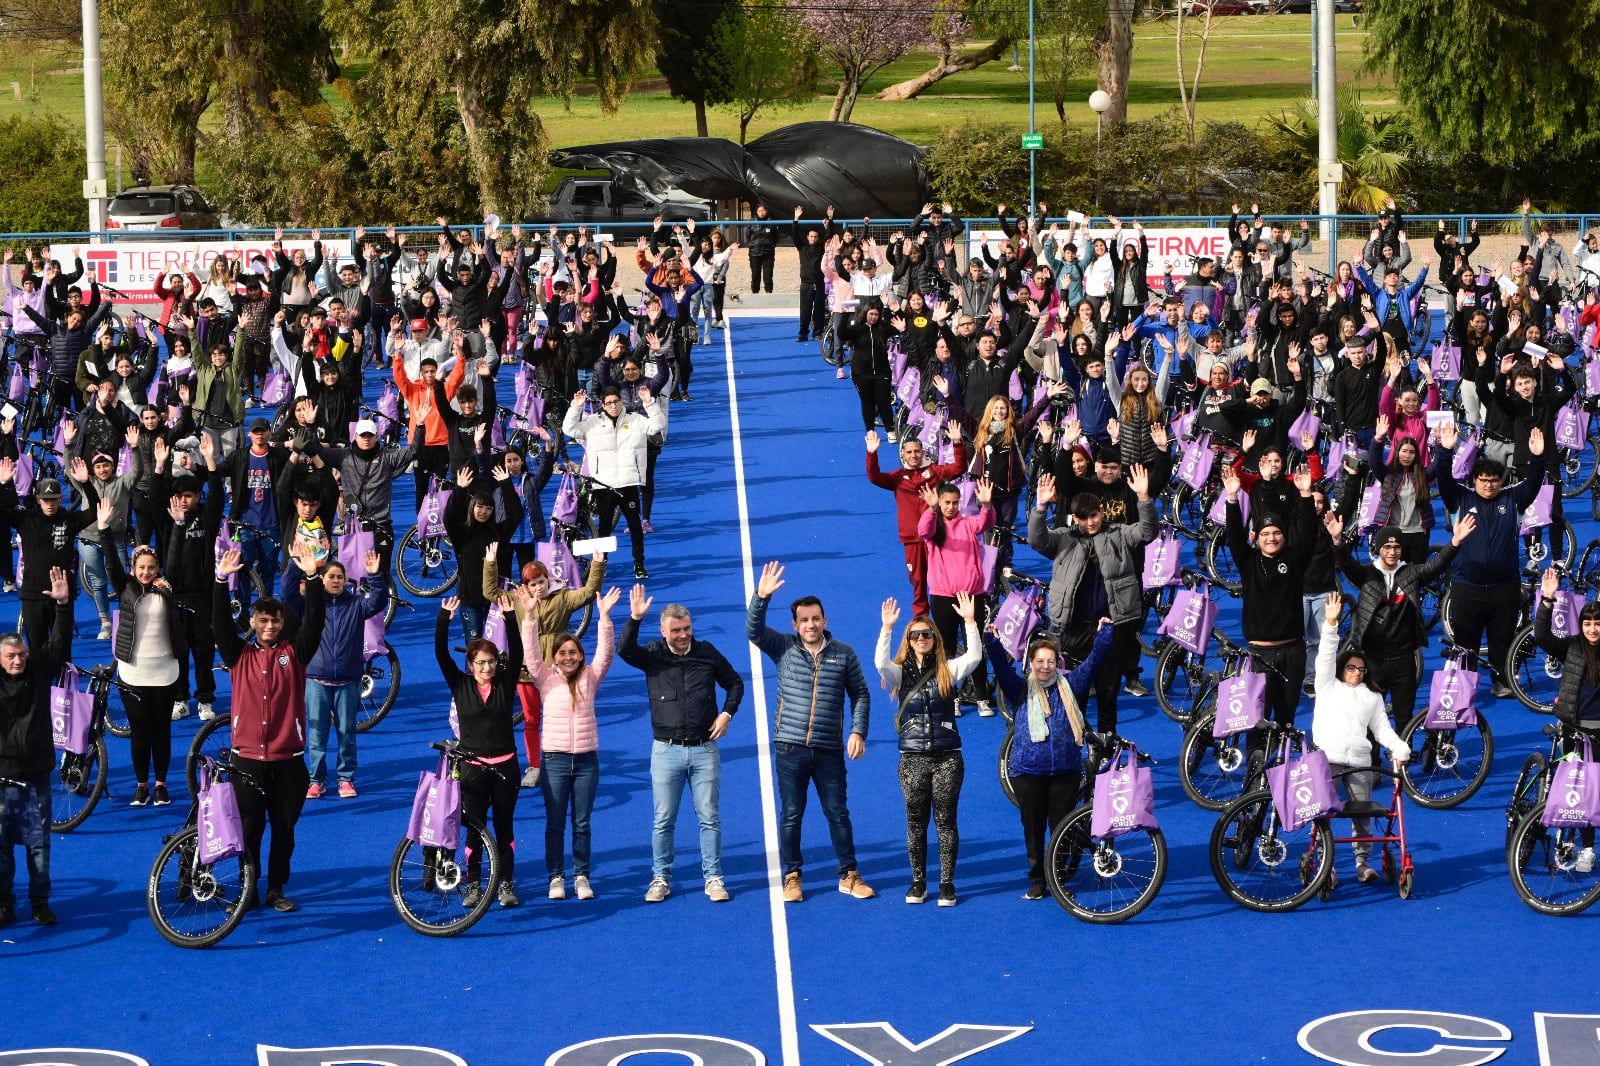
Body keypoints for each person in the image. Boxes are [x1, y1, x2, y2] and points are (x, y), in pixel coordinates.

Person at [746, 561, 874, 903]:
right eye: (804, 620)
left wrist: (858, 730)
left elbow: (860, 693)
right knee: (791, 814)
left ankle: (849, 874)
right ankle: (792, 876)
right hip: (790, 748)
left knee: (838, 812)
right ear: (795, 625)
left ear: (825, 620)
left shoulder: (844, 654)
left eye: (816, 618)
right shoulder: (783, 648)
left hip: (829, 748)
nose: (810, 624)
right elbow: (752, 631)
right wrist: (761, 596)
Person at [212, 541, 327, 913]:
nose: (269, 625)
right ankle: (248, 890)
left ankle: (276, 887)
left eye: (275, 621)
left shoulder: (294, 654)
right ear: (253, 622)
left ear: (281, 624)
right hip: (246, 759)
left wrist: (313, 578)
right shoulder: (238, 656)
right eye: (262, 620)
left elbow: (316, 622)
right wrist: (219, 580)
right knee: (248, 831)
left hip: (288, 759)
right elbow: (218, 624)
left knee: (284, 830)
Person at [619, 583, 745, 904]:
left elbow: (734, 683)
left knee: (709, 816)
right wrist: (633, 619)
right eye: (676, 630)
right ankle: (660, 877)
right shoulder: (652, 656)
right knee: (663, 820)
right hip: (665, 751)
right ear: (663, 631)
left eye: (687, 628)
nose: (683, 635)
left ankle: (713, 878)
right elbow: (624, 650)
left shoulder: (707, 653)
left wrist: (727, 714)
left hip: (705, 750)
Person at [987, 621, 1113, 900]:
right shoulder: (1018, 689)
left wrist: (1104, 633)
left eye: (1051, 661)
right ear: (1030, 663)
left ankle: (1056, 877)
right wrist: (992, 642)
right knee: (1032, 828)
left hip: (1065, 771)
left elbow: (1095, 661)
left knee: (1061, 828)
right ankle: (1036, 878)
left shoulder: (1073, 686)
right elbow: (1000, 666)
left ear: (1058, 663)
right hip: (1027, 772)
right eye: (1040, 660)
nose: (1045, 666)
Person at [1026, 465, 1156, 734]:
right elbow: (1037, 540)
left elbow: (1147, 532)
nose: (1090, 522)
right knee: (1076, 692)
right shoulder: (1063, 539)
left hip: (1109, 627)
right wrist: (1039, 508)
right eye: (1083, 518)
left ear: (1102, 512)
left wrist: (1143, 499)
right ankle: (1077, 744)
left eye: (1094, 515)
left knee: (1108, 692)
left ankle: (1107, 746)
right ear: (1074, 518)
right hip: (1074, 628)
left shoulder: (1119, 533)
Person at [876, 592, 982, 907]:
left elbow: (974, 657)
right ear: (908, 641)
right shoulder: (899, 674)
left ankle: (947, 883)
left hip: (948, 757)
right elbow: (881, 663)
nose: (921, 638)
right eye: (915, 635)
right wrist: (887, 629)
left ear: (934, 639)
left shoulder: (948, 670)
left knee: (946, 820)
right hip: (911, 759)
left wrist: (970, 622)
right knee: (916, 821)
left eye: (926, 634)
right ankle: (918, 882)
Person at [436, 588, 533, 908]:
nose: (487, 667)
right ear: (471, 663)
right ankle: (474, 885)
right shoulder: (460, 684)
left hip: (506, 769)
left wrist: (508, 616)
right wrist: (443, 619)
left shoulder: (506, 683)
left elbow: (517, 652)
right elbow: (440, 654)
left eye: (491, 662)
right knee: (474, 831)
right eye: (481, 662)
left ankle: (505, 884)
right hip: (473, 771)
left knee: (504, 828)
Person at [1435, 421, 1548, 697]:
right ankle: (1464, 688)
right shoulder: (1461, 499)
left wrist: (1537, 458)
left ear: (1501, 482)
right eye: (1483, 480)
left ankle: (1502, 681)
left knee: (1502, 639)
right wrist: (1445, 451)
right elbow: (1444, 481)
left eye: (1493, 481)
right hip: (1467, 586)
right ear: (1474, 481)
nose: (1488, 485)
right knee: (1465, 643)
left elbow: (1533, 484)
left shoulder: (1512, 499)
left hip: (1504, 586)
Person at [1326, 518, 1474, 723]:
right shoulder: (1367, 575)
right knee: (1370, 718)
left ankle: (1403, 754)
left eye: (1396, 547)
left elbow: (1437, 565)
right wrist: (1337, 540)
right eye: (1387, 546)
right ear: (1379, 549)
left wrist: (1455, 542)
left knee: (1404, 716)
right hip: (1373, 660)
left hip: (1404, 660)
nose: (1392, 551)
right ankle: (1373, 757)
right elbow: (1346, 564)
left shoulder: (1411, 573)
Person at [1309, 592, 1411, 885]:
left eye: (1361, 669)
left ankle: (1362, 863)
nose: (1356, 672)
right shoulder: (1327, 685)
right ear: (1342, 668)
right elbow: (1326, 656)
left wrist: (1399, 746)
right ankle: (1326, 865)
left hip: (1361, 763)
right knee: (1324, 814)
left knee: (1363, 815)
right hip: (1327, 759)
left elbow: (1382, 731)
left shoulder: (1372, 696)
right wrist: (1330, 625)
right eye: (1351, 667)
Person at [1223, 462, 1319, 754]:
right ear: (1258, 537)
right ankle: (1254, 784)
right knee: (1256, 720)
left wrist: (1304, 496)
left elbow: (1310, 536)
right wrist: (1232, 500)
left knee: (1286, 720)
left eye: (1276, 533)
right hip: (1259, 654)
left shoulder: (1294, 558)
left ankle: (1281, 780)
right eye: (1265, 534)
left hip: (1292, 651)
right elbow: (1234, 538)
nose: (1272, 538)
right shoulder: (1248, 562)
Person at [0, 566, 71, 927]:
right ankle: (4, 904)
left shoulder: (39, 669)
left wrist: (62, 605)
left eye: (21, 655)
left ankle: (40, 903)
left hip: (37, 774)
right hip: (2, 777)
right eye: (11, 656)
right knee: (1, 849)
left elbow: (57, 644)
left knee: (39, 845)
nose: (17, 660)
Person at [285, 552, 388, 800]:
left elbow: (378, 601)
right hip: (316, 680)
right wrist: (293, 565)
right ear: (321, 579)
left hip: (348, 681)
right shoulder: (310, 604)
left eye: (340, 577)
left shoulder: (356, 604)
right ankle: (316, 780)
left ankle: (345, 779)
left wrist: (375, 575)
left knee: (347, 733)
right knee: (317, 734)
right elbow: (288, 595)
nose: (336, 581)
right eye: (331, 576)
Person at [1534, 567, 1600, 872]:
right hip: (1574, 730)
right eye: (1587, 623)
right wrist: (1547, 600)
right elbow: (1543, 636)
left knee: (1593, 791)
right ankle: (1580, 845)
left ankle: (1584, 844)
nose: (1592, 629)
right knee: (1575, 788)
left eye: (1598, 624)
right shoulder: (1573, 647)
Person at [562, 386, 665, 580]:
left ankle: (639, 564)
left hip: (628, 484)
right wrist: (576, 406)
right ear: (602, 405)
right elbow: (569, 429)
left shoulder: (636, 419)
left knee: (635, 527)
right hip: (604, 485)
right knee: (603, 528)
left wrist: (649, 403)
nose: (614, 406)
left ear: (622, 401)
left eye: (616, 401)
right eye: (609, 403)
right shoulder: (591, 423)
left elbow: (657, 425)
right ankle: (601, 565)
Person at [866, 426, 969, 618]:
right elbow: (874, 477)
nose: (913, 455)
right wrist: (872, 454)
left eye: (917, 451)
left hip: (936, 535)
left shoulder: (934, 472)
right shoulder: (897, 478)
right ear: (903, 455)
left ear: (923, 453)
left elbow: (959, 468)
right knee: (918, 579)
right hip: (912, 539)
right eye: (909, 452)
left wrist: (957, 443)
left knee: (945, 576)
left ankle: (951, 613)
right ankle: (921, 617)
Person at [115, 547, 187, 808]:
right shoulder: (125, 588)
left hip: (165, 671)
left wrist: (178, 526)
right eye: (141, 567)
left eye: (151, 567)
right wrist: (103, 530)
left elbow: (176, 560)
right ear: (133, 569)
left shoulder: (167, 589)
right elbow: (113, 563)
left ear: (158, 568)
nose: (146, 572)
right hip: (133, 672)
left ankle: (161, 784)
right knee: (140, 731)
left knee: (161, 730)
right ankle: (141, 785)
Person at [0, 466, 100, 653]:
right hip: (32, 596)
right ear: (38, 500)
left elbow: (96, 511)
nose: (50, 504)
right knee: (37, 651)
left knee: (62, 651)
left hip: (62, 597)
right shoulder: (26, 519)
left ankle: (63, 683)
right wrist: (3, 484)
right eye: (46, 500)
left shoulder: (69, 520)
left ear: (60, 499)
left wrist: (86, 484)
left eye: (54, 499)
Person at [917, 479, 996, 716]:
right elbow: (923, 530)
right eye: (946, 502)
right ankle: (950, 698)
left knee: (976, 647)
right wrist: (931, 509)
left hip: (972, 597)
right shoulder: (933, 526)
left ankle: (981, 697)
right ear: (939, 502)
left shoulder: (968, 524)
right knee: (946, 649)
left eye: (954, 502)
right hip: (943, 598)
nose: (950, 506)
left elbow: (985, 522)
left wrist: (987, 505)